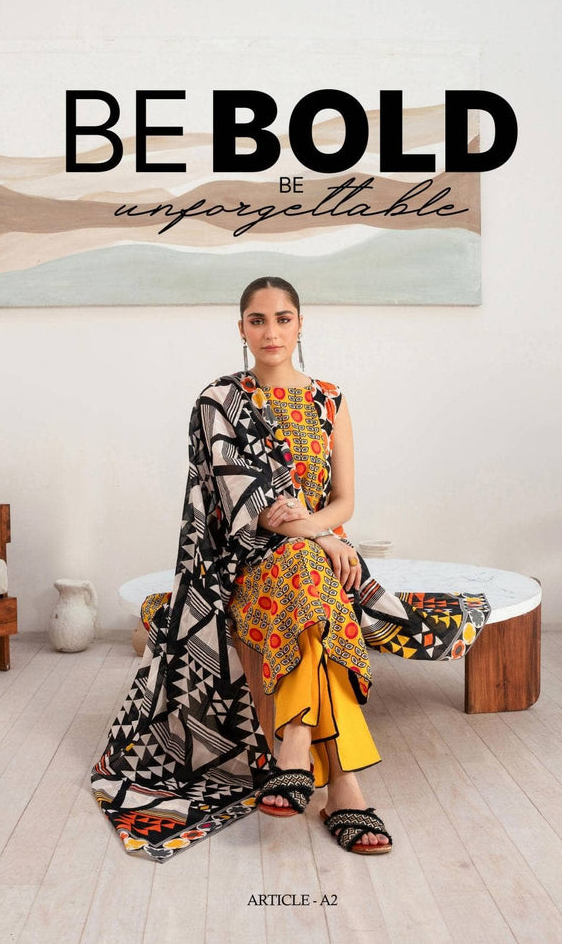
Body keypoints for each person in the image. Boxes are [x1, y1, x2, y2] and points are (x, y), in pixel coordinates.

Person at [91, 277, 490, 863]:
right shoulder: (219, 402)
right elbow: (244, 502)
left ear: (301, 324)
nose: (271, 331)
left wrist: (320, 532)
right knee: (311, 574)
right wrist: (321, 536)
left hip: (318, 558)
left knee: (310, 582)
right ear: (241, 328)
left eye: (283, 318)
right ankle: (345, 788)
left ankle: (295, 748)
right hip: (245, 559)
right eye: (258, 320)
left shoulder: (330, 399)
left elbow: (344, 501)